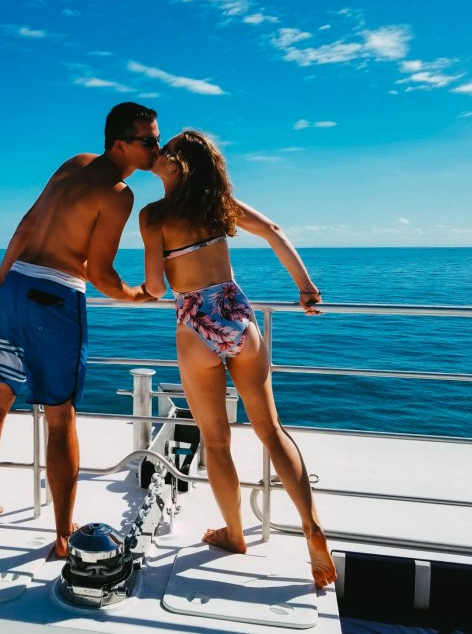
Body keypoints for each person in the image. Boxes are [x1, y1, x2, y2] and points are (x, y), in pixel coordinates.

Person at [138, 129, 337, 588]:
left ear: (180, 164)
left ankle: (233, 533)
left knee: (216, 440)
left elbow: (155, 287)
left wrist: (122, 288)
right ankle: (311, 527)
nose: (159, 153)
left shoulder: (153, 216)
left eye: (167, 150)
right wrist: (306, 288)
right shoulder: (217, 203)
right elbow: (273, 231)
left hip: (195, 324)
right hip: (238, 317)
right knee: (272, 430)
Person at [0, 102, 160, 558]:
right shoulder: (119, 193)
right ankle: (64, 536)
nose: (157, 148)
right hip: (54, 300)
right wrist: (139, 295)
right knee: (61, 416)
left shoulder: (74, 163)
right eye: (149, 141)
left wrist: (1, 277)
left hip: (16, 289)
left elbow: (28, 223)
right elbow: (101, 273)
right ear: (120, 145)